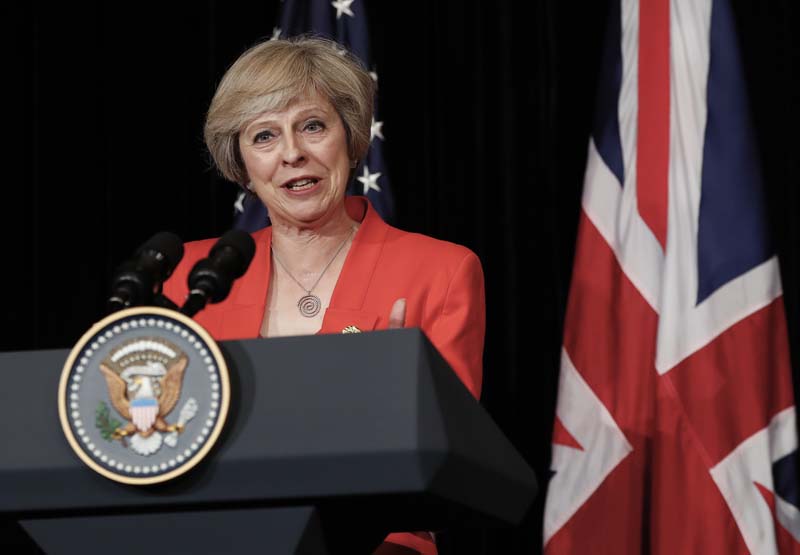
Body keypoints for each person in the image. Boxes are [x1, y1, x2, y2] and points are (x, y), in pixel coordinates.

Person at [162, 35, 486, 555]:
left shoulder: (440, 271)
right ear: (242, 163)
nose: (292, 153)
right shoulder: (192, 279)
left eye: (312, 126)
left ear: (351, 137)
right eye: (264, 136)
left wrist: (406, 404)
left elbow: (450, 469)